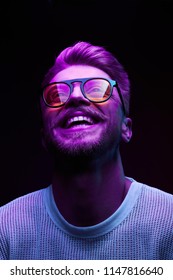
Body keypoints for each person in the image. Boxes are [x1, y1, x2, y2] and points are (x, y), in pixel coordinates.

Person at [0, 41, 173, 260]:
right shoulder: (5, 231)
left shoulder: (168, 222)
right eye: (57, 95)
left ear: (126, 128)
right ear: (44, 136)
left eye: (96, 89)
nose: (75, 97)